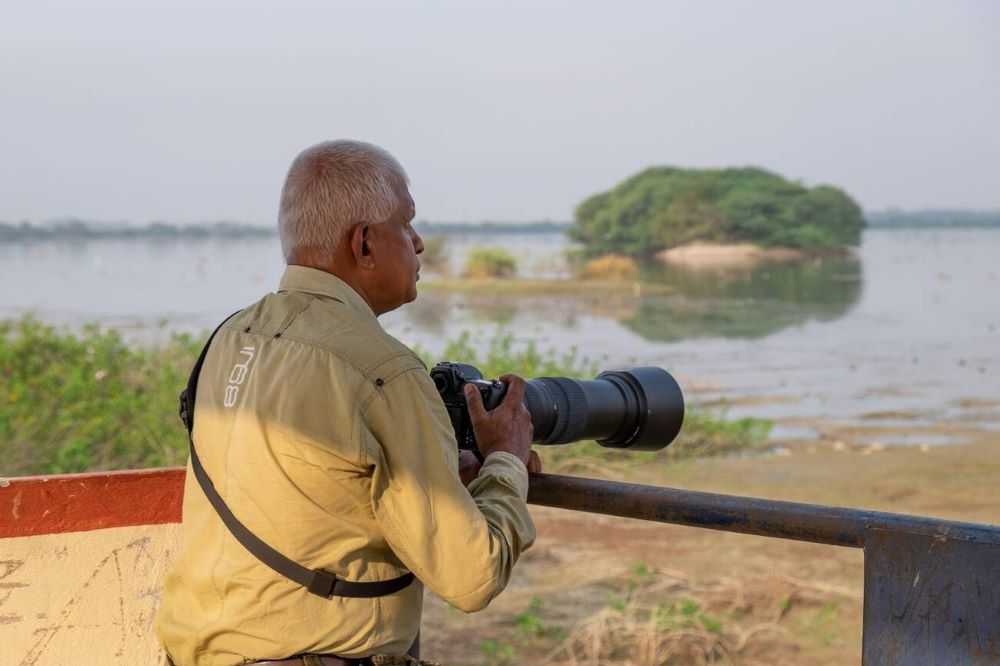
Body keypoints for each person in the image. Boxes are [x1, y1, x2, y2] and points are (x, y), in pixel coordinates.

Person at [155, 140, 540, 666]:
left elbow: (318, 484)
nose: (420, 243)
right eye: (407, 224)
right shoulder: (383, 371)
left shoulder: (233, 333)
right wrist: (506, 459)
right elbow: (471, 577)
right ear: (363, 244)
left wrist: (438, 472)